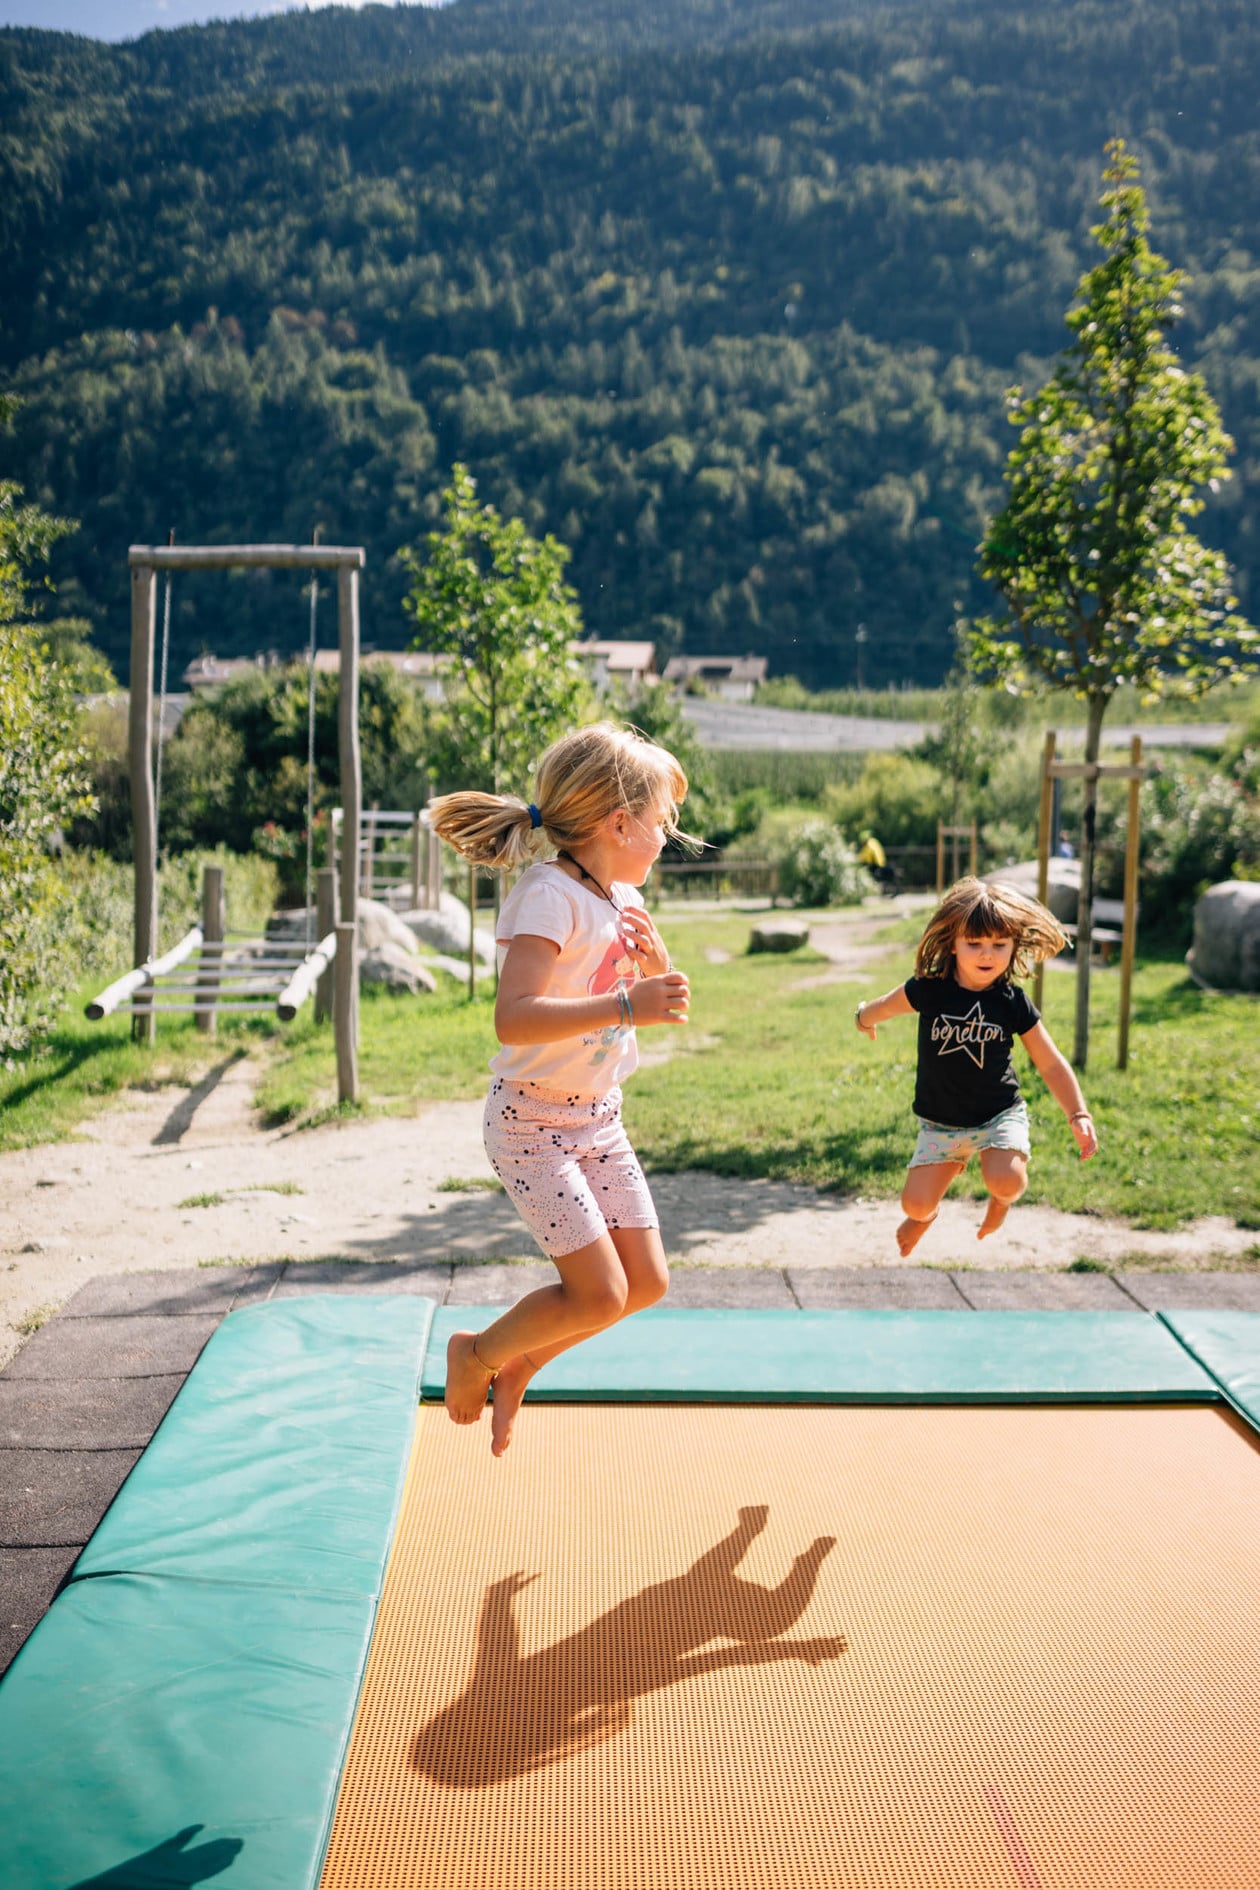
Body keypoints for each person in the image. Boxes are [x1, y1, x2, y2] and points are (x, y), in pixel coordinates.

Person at [428, 723, 692, 1456]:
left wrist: (651, 968)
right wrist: (626, 1006)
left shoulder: (619, 892)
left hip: (599, 1119)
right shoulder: (548, 895)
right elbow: (514, 1020)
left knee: (645, 1284)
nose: (668, 836)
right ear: (618, 823)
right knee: (599, 1293)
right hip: (532, 1127)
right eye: (662, 821)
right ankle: (475, 1355)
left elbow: (611, 986)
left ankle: (521, 1367)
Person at [854, 876, 1097, 1255]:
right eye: (975, 944)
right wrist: (863, 1018)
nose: (988, 955)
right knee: (914, 1204)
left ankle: (1000, 1202)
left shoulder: (1012, 1002)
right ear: (952, 943)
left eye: (1000, 945)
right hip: (939, 1123)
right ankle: (923, 1219)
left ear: (1014, 946)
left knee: (1008, 1181)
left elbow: (1049, 1063)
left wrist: (1078, 1113)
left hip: (998, 1117)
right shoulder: (929, 990)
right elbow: (886, 1004)